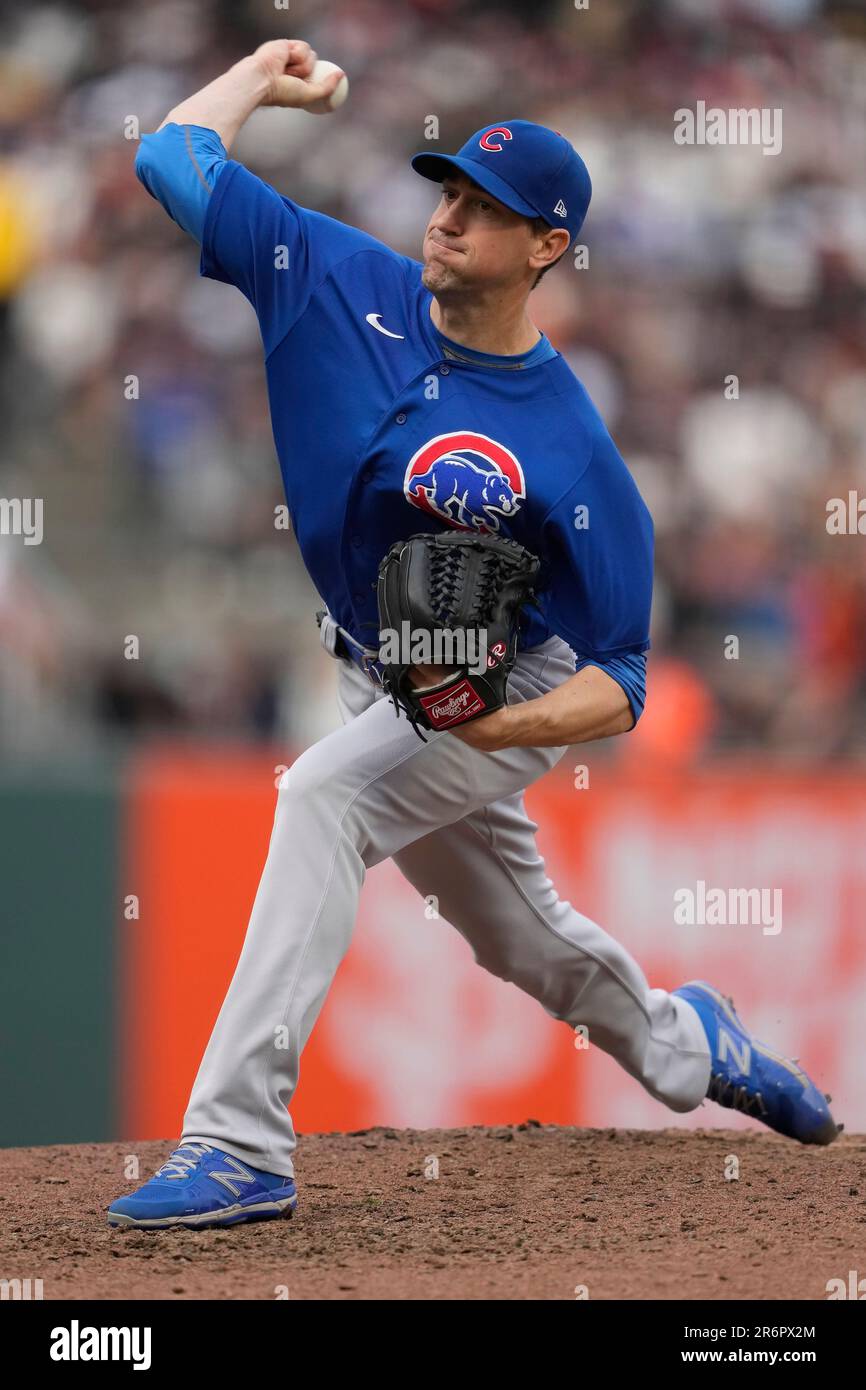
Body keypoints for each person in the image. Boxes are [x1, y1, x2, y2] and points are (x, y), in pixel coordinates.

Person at [108, 39, 838, 1230]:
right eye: (445, 193)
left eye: (483, 210)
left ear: (546, 247)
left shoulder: (571, 448)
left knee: (322, 803)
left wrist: (501, 726)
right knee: (517, 937)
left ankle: (239, 1142)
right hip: (383, 673)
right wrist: (251, 74)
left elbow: (623, 682)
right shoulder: (329, 275)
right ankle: (685, 1043)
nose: (446, 220)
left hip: (510, 684)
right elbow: (166, 154)